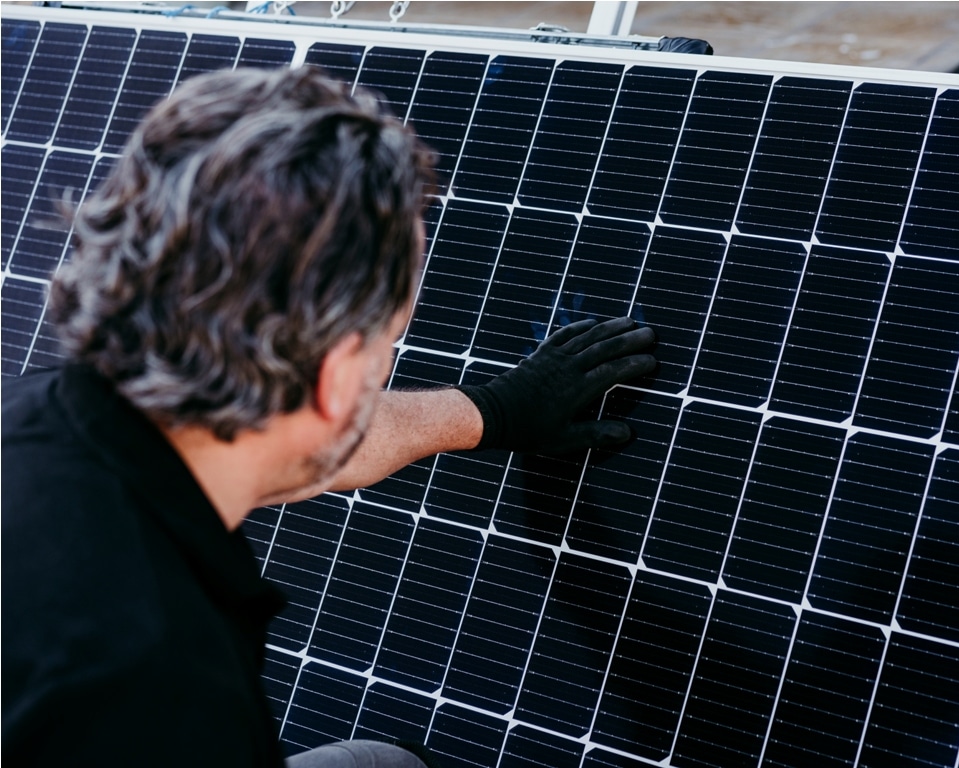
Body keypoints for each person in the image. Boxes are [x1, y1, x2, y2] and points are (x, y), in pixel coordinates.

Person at [1, 66, 656, 767]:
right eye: (384, 345)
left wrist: (492, 412)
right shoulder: (170, 689)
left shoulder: (42, 413)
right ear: (340, 376)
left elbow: (291, 436)